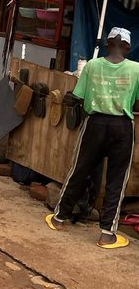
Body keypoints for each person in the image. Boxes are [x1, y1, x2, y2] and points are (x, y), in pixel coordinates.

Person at [45, 27, 139, 249]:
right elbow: (136, 102)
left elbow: (77, 96)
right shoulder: (136, 69)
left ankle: (59, 218)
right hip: (122, 127)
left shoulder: (92, 66)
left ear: (108, 44)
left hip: (94, 124)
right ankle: (107, 235)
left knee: (79, 170)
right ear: (127, 47)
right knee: (117, 180)